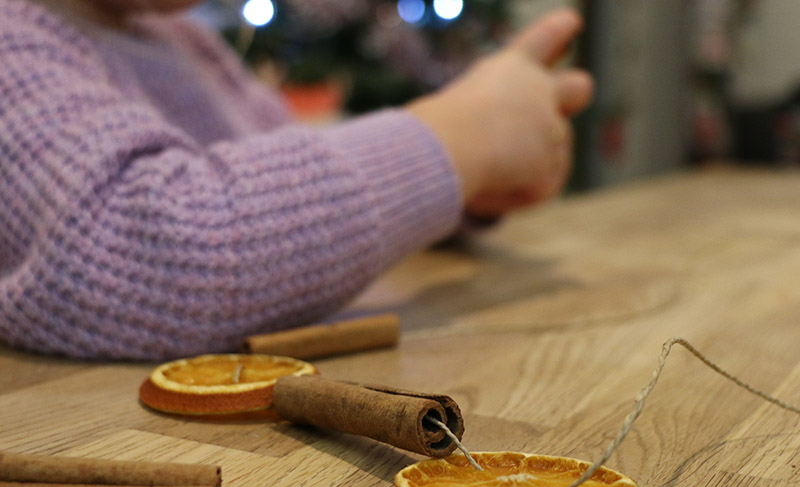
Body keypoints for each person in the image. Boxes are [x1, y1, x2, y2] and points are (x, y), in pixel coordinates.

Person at [0, 0, 593, 360]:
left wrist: (457, 183)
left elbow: (283, 179)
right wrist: (463, 137)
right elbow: (136, 252)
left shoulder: (183, 41)